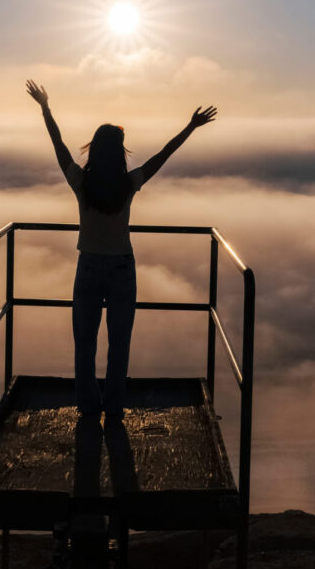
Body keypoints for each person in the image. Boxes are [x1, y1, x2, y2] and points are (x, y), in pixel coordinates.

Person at [26, 79, 217, 419]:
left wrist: (45, 108)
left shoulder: (80, 182)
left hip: (88, 268)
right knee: (119, 344)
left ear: (95, 150)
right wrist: (191, 126)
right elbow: (163, 156)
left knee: (84, 345)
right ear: (119, 152)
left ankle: (88, 408)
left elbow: (58, 145)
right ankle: (113, 409)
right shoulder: (128, 184)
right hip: (121, 269)